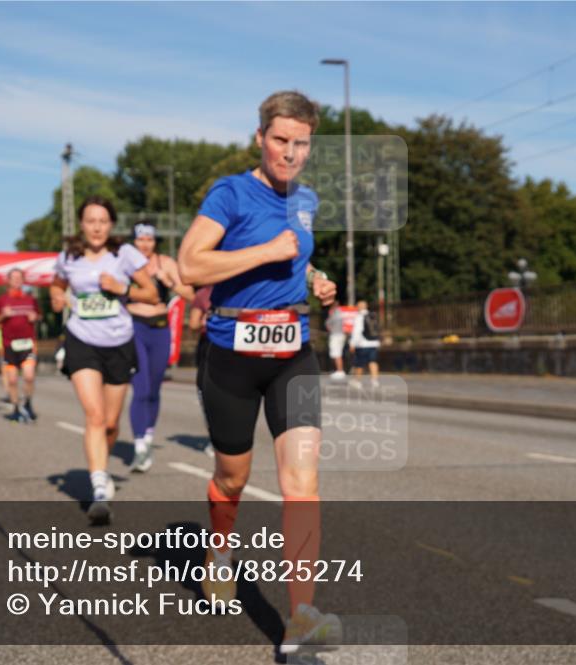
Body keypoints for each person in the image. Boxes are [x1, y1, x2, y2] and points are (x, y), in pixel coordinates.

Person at [178, 90, 340, 653]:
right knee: (232, 479)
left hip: (293, 352)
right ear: (259, 138)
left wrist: (313, 275)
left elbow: (294, 253)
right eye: (280, 141)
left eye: (301, 144)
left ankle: (301, 616)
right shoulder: (230, 193)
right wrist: (267, 251)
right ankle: (219, 550)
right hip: (231, 354)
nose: (290, 153)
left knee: (302, 482)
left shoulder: (307, 199)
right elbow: (191, 263)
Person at [50, 195, 159, 525]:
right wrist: (57, 298)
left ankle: (103, 467)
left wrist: (120, 288)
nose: (96, 227)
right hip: (82, 339)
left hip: (119, 343)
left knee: (111, 423)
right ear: (81, 225)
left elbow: (151, 293)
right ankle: (98, 487)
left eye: (102, 221)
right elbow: (57, 285)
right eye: (90, 221)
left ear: (110, 224)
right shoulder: (68, 256)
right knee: (94, 415)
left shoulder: (124, 254)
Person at [126, 222, 194, 473]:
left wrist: (169, 282)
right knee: (141, 387)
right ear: (133, 241)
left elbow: (190, 294)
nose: (145, 244)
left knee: (154, 388)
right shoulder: (125, 264)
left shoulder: (166, 263)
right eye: (140, 239)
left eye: (149, 240)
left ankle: (148, 435)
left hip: (160, 327)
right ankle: (139, 445)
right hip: (134, 326)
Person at [0, 268, 41, 423]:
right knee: (12, 380)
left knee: (29, 376)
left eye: (19, 277)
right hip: (9, 345)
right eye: (13, 278)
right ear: (8, 280)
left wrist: (35, 317)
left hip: (28, 343)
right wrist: (3, 315)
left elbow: (39, 315)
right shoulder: (2, 300)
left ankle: (27, 402)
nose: (17, 280)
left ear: (23, 280)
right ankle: (15, 407)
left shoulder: (30, 299)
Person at [188, 284, 215, 457]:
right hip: (208, 343)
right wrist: (204, 320)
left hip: (233, 344)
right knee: (205, 392)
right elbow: (193, 324)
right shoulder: (203, 294)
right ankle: (214, 436)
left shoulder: (238, 286)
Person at [348, 300, 381, 389]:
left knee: (359, 363)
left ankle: (357, 381)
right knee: (373, 361)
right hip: (373, 343)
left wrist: (352, 344)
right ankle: (375, 381)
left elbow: (357, 332)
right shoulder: (372, 316)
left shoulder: (359, 317)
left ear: (359, 307)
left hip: (362, 343)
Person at [325, 302, 347, 381]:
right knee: (337, 353)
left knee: (337, 354)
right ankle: (338, 370)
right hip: (340, 335)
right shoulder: (340, 313)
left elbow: (328, 323)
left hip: (336, 335)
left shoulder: (335, 313)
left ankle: (340, 371)